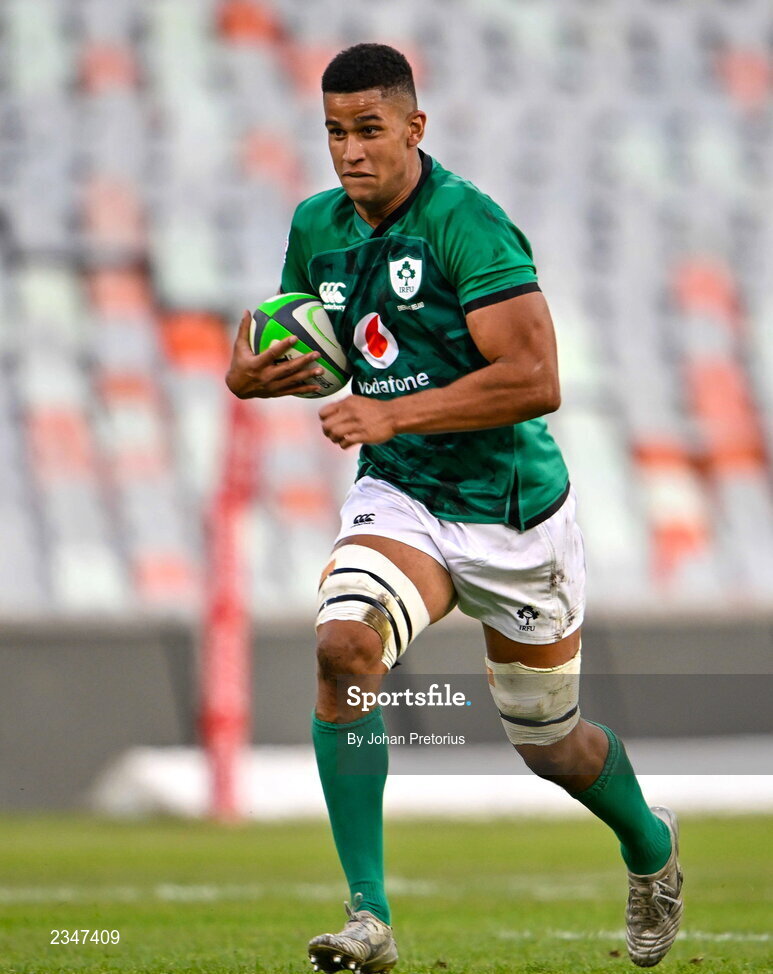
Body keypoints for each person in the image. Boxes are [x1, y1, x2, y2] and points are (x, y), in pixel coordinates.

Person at [226, 43, 683, 972]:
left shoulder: (468, 225)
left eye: (368, 130)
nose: (350, 151)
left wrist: (387, 411)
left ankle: (650, 847)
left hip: (515, 513)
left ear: (413, 128)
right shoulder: (318, 227)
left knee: (549, 742)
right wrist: (248, 373)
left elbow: (535, 377)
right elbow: (286, 340)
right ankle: (369, 918)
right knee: (342, 645)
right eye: (333, 132)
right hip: (405, 497)